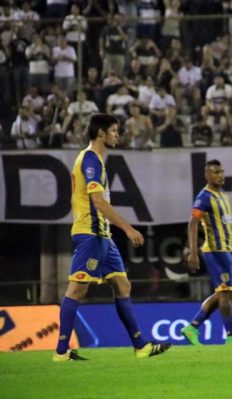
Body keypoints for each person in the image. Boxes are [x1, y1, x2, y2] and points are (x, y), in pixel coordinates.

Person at [53, 114, 171, 361]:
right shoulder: (90, 160)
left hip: (102, 236)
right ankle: (61, 352)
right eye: (114, 130)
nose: (118, 134)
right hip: (90, 234)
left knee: (122, 284)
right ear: (101, 134)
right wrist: (128, 229)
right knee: (76, 290)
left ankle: (141, 346)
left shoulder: (95, 160)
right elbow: (98, 202)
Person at [181, 160, 232, 345]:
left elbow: (226, 226)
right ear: (207, 175)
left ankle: (192, 327)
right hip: (215, 250)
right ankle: (231, 336)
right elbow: (193, 224)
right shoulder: (204, 197)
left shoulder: (223, 196)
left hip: (225, 250)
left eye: (222, 171)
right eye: (216, 172)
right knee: (225, 292)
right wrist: (193, 252)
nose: (220, 175)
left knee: (223, 292)